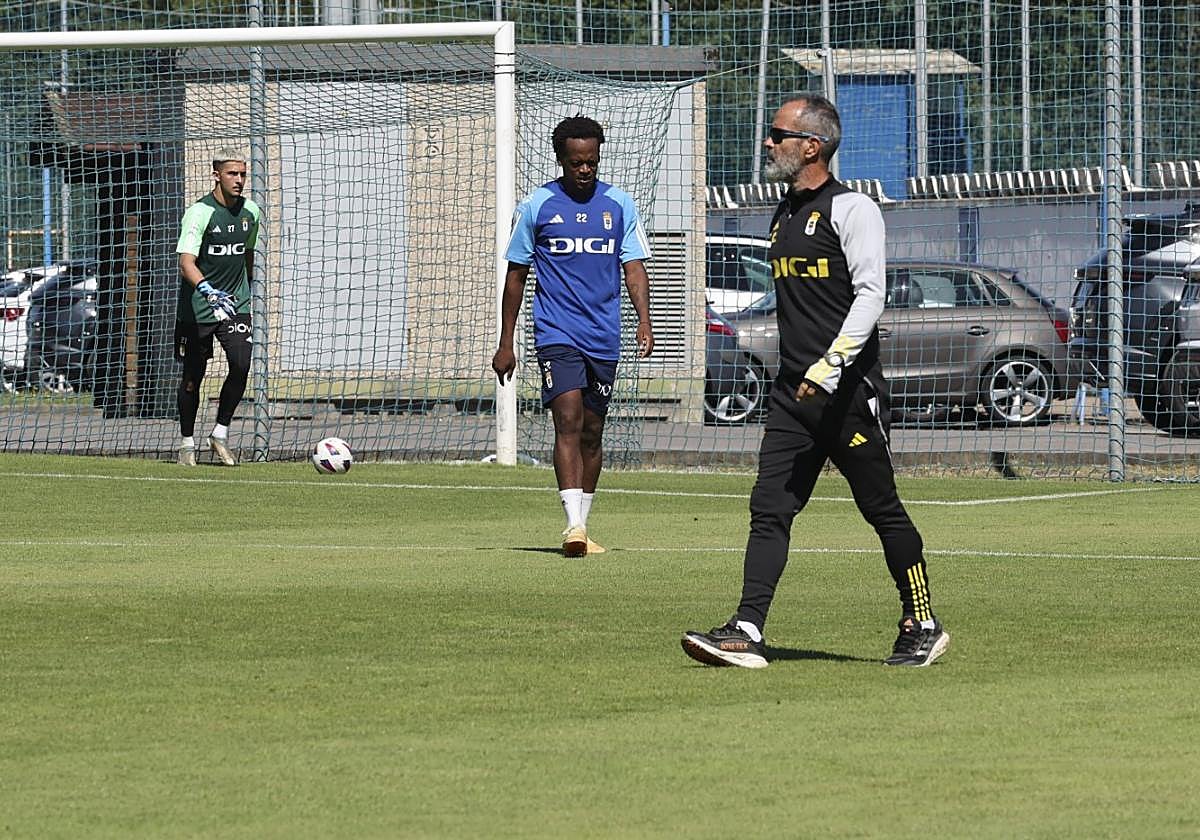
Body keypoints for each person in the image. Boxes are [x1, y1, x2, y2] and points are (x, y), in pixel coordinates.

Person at [681, 94, 949, 668]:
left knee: (882, 508)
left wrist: (831, 367)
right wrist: (802, 375)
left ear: (812, 145)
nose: (767, 143)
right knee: (769, 508)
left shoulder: (854, 210)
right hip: (790, 395)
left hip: (846, 394)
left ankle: (921, 622)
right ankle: (747, 629)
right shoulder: (782, 212)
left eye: (778, 133)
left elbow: (870, 295)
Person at [492, 116, 654, 557]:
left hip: (603, 333)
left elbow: (634, 266)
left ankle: (585, 520)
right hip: (555, 331)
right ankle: (573, 527)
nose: (585, 170)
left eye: (592, 163)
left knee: (593, 431)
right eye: (577, 162)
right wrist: (506, 342)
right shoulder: (536, 206)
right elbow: (516, 276)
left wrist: (644, 319)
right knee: (567, 418)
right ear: (561, 159)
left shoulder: (619, 204)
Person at [173, 150, 262, 467]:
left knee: (241, 363)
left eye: (242, 174)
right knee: (192, 377)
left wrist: (247, 289)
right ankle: (186, 444)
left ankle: (220, 433)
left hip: (234, 303)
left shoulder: (251, 212)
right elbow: (186, 262)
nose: (239, 180)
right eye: (232, 174)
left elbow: (247, 253)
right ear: (216, 175)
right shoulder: (199, 213)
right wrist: (206, 289)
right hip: (198, 305)